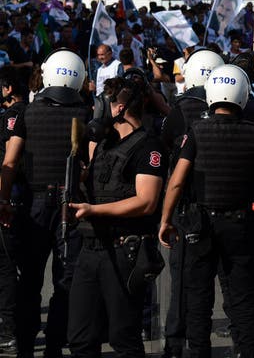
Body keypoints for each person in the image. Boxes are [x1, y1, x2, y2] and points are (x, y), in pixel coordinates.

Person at [159, 64, 254, 358]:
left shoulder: (197, 131)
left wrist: (166, 220)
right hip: (241, 223)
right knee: (243, 297)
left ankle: (199, 352)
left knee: (199, 298)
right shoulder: (253, 133)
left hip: (201, 224)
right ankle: (249, 352)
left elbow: (177, 181)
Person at [67, 76, 167, 358]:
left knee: (123, 337)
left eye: (106, 102)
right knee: (80, 337)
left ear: (120, 107)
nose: (99, 108)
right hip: (90, 248)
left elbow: (146, 202)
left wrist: (94, 211)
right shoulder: (101, 143)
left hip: (124, 251)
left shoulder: (149, 147)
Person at [1, 50, 91, 358]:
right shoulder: (87, 113)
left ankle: (25, 346)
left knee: (29, 280)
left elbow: (10, 162)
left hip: (34, 205)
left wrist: (3, 200)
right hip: (73, 206)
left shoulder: (26, 113)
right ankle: (54, 345)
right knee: (66, 281)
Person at [160, 49, 223, 358]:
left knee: (185, 283)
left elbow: (167, 153)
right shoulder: (233, 108)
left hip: (189, 208)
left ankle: (176, 343)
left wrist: (166, 215)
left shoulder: (181, 111)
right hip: (228, 205)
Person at [0, 67, 27, 354]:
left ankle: (9, 329)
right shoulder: (30, 111)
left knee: (6, 267)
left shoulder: (11, 117)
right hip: (27, 199)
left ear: (8, 89)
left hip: (11, 198)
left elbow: (10, 161)